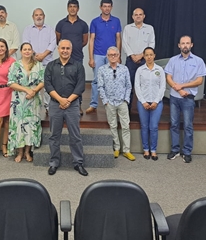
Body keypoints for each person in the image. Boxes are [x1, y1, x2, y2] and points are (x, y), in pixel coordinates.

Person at [44, 39, 87, 176]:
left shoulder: (78, 66)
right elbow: (48, 85)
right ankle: (54, 163)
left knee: (75, 136)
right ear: (58, 49)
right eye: (62, 48)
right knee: (54, 136)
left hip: (72, 105)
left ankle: (78, 162)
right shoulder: (51, 65)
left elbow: (80, 86)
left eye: (67, 48)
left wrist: (67, 100)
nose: (65, 51)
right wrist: (60, 100)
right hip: (55, 105)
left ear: (71, 49)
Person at [165, 35, 206, 163]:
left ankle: (187, 152)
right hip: (174, 97)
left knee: (188, 126)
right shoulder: (173, 60)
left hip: (188, 98)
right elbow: (168, 78)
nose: (185, 45)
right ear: (179, 45)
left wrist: (183, 86)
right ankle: (175, 150)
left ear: (191, 45)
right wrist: (178, 89)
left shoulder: (198, 61)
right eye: (182, 43)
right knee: (174, 124)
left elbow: (199, 80)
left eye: (187, 43)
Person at [7, 42, 45, 163]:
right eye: (25, 49)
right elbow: (10, 82)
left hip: (33, 99)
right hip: (18, 99)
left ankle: (28, 151)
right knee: (18, 125)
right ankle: (20, 152)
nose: (27, 51)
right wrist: (26, 89)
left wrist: (33, 91)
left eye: (29, 49)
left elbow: (43, 81)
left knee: (30, 125)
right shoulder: (15, 65)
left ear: (32, 51)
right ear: (21, 51)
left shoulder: (38, 65)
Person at [97, 46, 134, 161]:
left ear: (118, 56)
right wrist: (105, 101)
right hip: (110, 103)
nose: (112, 57)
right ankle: (116, 148)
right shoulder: (102, 69)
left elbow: (129, 86)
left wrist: (126, 100)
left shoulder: (124, 69)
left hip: (122, 102)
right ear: (107, 57)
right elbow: (100, 87)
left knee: (125, 126)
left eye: (115, 55)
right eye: (110, 55)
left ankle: (127, 150)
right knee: (113, 125)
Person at [86, 0, 122, 114]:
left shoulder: (116, 21)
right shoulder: (95, 22)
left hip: (112, 56)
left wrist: (118, 55)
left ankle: (113, 105)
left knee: (113, 80)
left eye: (109, 6)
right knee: (96, 80)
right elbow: (91, 40)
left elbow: (118, 39)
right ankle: (93, 104)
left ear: (111, 7)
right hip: (98, 55)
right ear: (100, 7)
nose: (107, 8)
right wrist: (91, 58)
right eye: (104, 6)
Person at [55, 0, 89, 114]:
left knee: (78, 81)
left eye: (75, 6)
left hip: (78, 56)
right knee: (63, 80)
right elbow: (58, 40)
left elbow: (84, 41)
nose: (72, 9)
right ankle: (62, 102)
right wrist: (65, 50)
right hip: (64, 58)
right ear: (67, 8)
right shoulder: (61, 24)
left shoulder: (83, 24)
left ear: (78, 9)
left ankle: (77, 105)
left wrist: (76, 47)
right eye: (70, 6)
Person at [22, 8, 56, 113]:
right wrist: (36, 55)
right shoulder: (27, 30)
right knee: (31, 85)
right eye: (36, 15)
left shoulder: (50, 30)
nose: (39, 17)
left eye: (41, 15)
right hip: (32, 63)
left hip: (47, 63)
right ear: (33, 17)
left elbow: (53, 44)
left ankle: (48, 107)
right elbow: (26, 43)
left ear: (44, 16)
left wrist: (43, 55)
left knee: (47, 85)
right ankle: (31, 106)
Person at [135, 47, 165, 161]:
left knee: (153, 127)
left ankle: (153, 150)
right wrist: (143, 101)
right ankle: (146, 149)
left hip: (157, 103)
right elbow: (137, 86)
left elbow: (162, 86)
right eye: (146, 55)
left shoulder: (160, 70)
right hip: (143, 103)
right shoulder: (140, 70)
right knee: (144, 126)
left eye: (151, 54)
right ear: (143, 56)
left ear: (154, 56)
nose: (149, 57)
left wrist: (156, 101)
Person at [122, 8, 155, 109]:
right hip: (130, 61)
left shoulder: (150, 28)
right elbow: (124, 43)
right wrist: (132, 55)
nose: (138, 16)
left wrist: (142, 55)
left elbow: (152, 44)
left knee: (145, 85)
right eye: (136, 15)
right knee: (128, 86)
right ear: (133, 17)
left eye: (140, 14)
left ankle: (145, 109)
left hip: (145, 60)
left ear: (144, 16)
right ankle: (127, 111)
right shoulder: (127, 28)